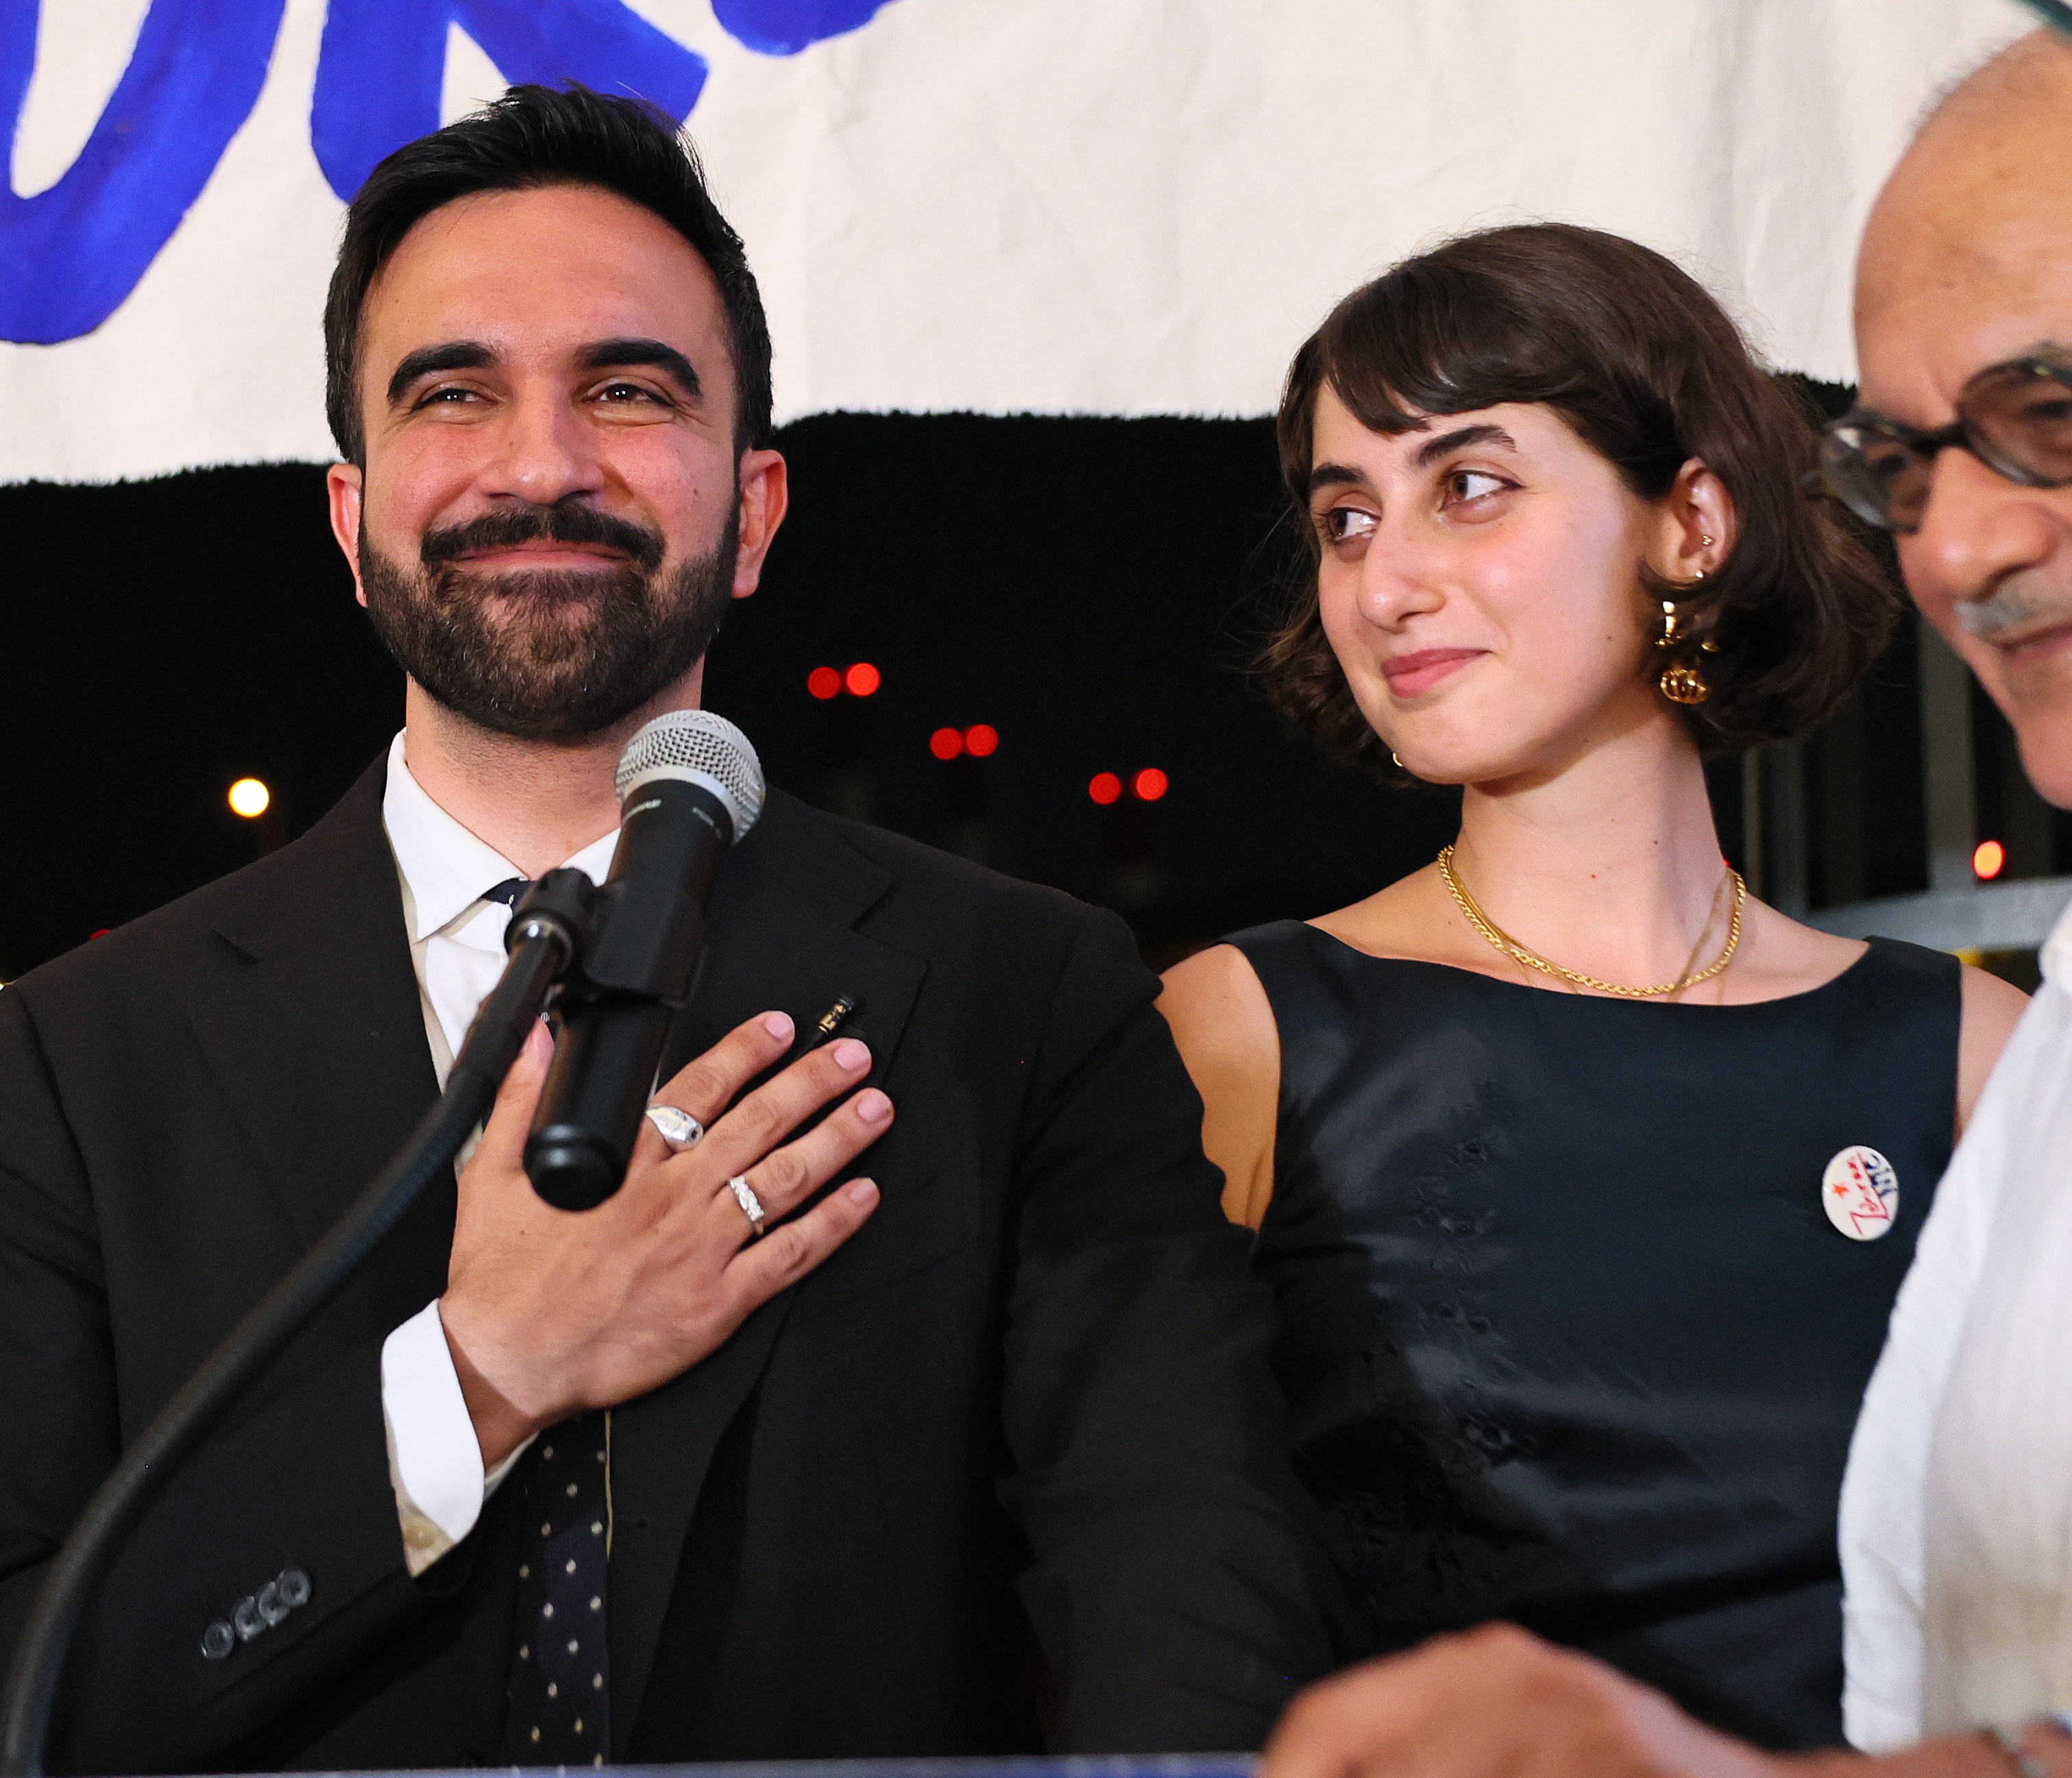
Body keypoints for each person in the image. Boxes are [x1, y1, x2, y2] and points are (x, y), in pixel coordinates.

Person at [0, 86, 1333, 1774]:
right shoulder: (70, 1060)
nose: (543, 463)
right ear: (351, 522)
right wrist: (481, 1372)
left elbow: (1191, 1594)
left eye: (627, 390)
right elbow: (34, 1683)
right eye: (454, 392)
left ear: (755, 511)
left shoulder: (1023, 993)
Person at [1249, 26, 2072, 1778]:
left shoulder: (1986, 1059)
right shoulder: (1241, 1036)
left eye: (1468, 485)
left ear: (1692, 519)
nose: (1386, 580)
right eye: (1343, 516)